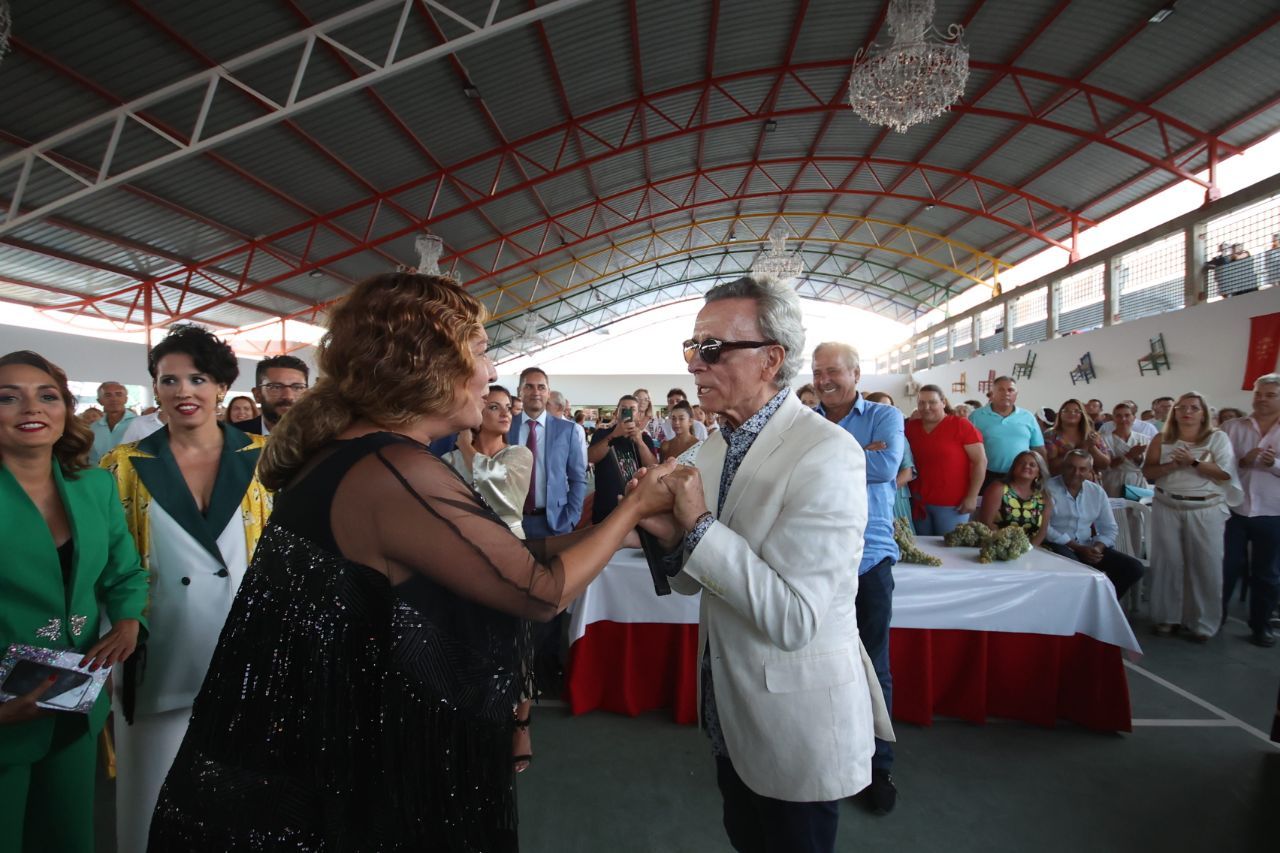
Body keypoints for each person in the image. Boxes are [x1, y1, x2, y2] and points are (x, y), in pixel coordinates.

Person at [147, 272, 676, 850]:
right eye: (480, 352)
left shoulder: (366, 454)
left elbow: (490, 557)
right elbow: (536, 589)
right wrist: (636, 508)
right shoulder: (393, 471)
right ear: (427, 365)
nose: (491, 373)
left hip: (315, 756)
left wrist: (612, 535)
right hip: (326, 780)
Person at [645, 275, 889, 853]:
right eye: (692, 348)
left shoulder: (827, 454)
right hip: (731, 714)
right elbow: (691, 580)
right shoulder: (710, 448)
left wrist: (699, 527)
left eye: (712, 349)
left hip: (794, 721)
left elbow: (794, 617)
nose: (695, 365)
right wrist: (669, 534)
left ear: (771, 359)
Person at [99, 324, 272, 853]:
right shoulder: (123, 466)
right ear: (154, 389)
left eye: (197, 378)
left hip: (251, 651)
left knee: (245, 796)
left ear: (222, 386)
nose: (182, 392)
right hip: (158, 652)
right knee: (149, 800)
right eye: (167, 380)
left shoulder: (270, 457)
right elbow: (109, 566)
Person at [0, 351, 149, 853]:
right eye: (7, 397)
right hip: (3, 709)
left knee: (66, 836)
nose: (31, 407)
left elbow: (124, 571)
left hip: (73, 699)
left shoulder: (95, 486)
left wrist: (128, 620)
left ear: (65, 409)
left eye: (47, 395)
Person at [812, 341, 903, 816]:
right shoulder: (807, 419)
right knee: (818, 659)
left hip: (870, 559)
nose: (824, 378)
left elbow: (886, 467)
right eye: (817, 370)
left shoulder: (885, 418)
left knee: (875, 662)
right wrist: (856, 457)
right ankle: (827, 753)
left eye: (833, 371)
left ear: (856, 373)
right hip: (817, 557)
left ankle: (878, 765)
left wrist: (823, 461)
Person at [441, 383, 537, 769]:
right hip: (463, 558)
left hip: (511, 554)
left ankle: (521, 723)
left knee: (518, 640)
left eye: (506, 409)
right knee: (471, 638)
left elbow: (505, 499)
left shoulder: (520, 455)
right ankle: (476, 715)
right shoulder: (447, 462)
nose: (504, 413)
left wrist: (468, 450)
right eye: (493, 407)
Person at [1142, 391, 1241, 641]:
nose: (1187, 412)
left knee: (1205, 565)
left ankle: (1202, 623)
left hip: (1204, 508)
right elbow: (1149, 473)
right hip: (1167, 504)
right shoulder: (1162, 439)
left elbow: (1225, 474)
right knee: (1167, 563)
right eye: (1182, 407)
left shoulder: (1217, 438)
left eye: (1194, 408)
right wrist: (1173, 465)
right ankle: (1167, 618)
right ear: (1174, 412)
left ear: (1204, 413)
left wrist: (1193, 462)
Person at [1221, 375, 1280, 647]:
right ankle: (1215, 619)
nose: (1263, 399)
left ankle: (1261, 625)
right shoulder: (1232, 427)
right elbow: (1218, 466)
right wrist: (1242, 462)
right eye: (1259, 394)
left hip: (1272, 511)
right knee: (1226, 566)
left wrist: (1275, 464)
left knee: (1266, 572)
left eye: (1270, 395)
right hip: (1235, 509)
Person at [1043, 450, 1144, 598]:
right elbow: (1045, 528)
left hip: (1087, 545)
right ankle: (1084, 609)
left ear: (1090, 471)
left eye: (1082, 469)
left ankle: (1103, 604)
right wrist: (1077, 547)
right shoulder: (1047, 489)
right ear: (1063, 467)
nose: (1076, 472)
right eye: (1071, 467)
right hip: (1057, 545)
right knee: (1079, 569)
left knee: (1134, 568)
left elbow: (1109, 528)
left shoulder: (1096, 492)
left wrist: (1097, 548)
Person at [508, 367, 588, 538]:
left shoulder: (568, 430)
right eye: (529, 386)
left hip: (555, 523)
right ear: (519, 392)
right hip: (510, 523)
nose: (535, 392)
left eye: (541, 387)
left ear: (548, 393)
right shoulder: (506, 428)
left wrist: (571, 517)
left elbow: (578, 478)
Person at [906, 384, 986, 535]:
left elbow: (980, 461)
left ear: (943, 402)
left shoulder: (961, 425)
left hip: (953, 504)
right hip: (918, 502)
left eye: (932, 402)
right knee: (923, 551)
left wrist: (972, 496)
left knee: (950, 552)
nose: (926, 407)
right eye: (921, 403)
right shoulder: (911, 428)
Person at [587, 393, 659, 523]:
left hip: (635, 507)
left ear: (638, 415)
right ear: (617, 413)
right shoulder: (602, 434)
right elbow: (591, 457)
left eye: (632, 409)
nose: (628, 412)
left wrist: (640, 442)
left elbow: (653, 467)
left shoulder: (645, 438)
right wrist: (613, 435)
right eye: (624, 409)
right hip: (605, 505)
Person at [968, 377, 1046, 489]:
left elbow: (1039, 449)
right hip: (986, 476)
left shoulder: (1027, 417)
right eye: (1001, 389)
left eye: (1010, 390)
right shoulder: (976, 416)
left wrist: (1044, 477)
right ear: (992, 393)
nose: (1006, 393)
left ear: (1016, 394)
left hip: (1021, 476)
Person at [977, 450, 1051, 548]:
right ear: (1014, 468)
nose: (1026, 466)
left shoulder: (1044, 497)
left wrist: (1029, 549)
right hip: (996, 545)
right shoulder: (998, 488)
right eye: (1022, 463)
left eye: (1032, 465)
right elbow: (986, 523)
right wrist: (1010, 547)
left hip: (1029, 549)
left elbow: (1042, 532)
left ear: (1038, 473)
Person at [864, 392, 915, 527]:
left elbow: (908, 472)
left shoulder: (900, 438)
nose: (886, 411)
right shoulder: (861, 434)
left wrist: (886, 489)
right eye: (881, 406)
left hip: (895, 496)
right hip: (867, 497)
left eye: (889, 407)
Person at [236, 354, 310, 436]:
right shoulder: (233, 436)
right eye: (276, 387)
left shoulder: (322, 438)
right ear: (257, 394)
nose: (288, 396)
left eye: (297, 387)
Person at [1043, 399, 1110, 477]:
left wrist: (1092, 447)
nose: (1071, 413)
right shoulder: (1051, 435)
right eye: (1066, 410)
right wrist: (1082, 448)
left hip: (1089, 484)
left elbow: (1105, 464)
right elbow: (1051, 467)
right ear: (1060, 414)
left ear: (1082, 415)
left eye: (1076, 411)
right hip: (1058, 483)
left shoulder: (1092, 435)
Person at [1100, 402, 1150, 497]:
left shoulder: (1143, 439)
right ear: (1113, 419)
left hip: (1137, 481)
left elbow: (1147, 465)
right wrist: (1129, 455)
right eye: (1118, 416)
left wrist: (1138, 457)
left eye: (1127, 415)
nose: (1123, 419)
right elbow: (1106, 465)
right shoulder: (1104, 439)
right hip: (1113, 481)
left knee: (1138, 510)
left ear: (1134, 418)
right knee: (1117, 510)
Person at [88, 380, 136, 464]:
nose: (114, 399)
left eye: (119, 394)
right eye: (108, 395)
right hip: (101, 475)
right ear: (99, 401)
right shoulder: (93, 428)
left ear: (126, 399)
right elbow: (91, 459)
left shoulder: (139, 424)